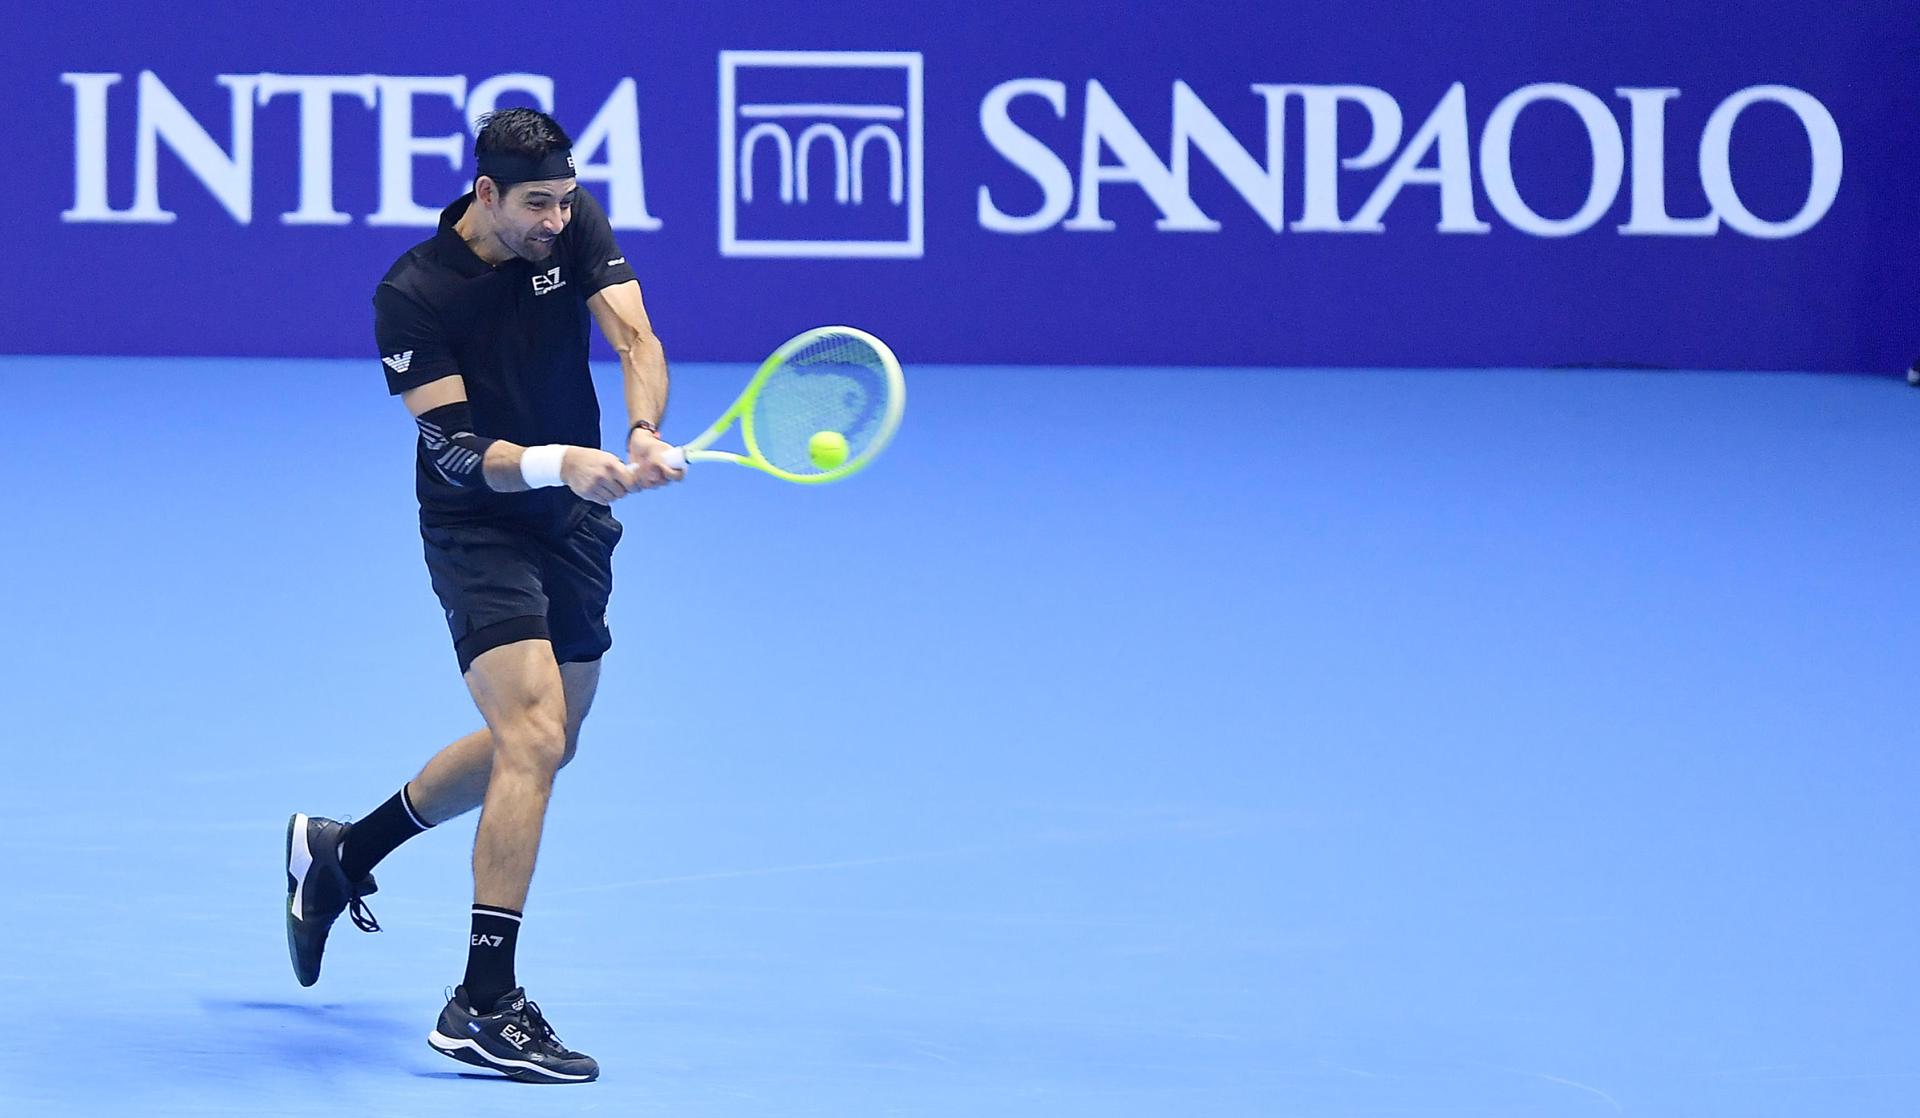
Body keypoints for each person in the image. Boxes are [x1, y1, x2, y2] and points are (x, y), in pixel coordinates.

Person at [283, 107, 682, 1084]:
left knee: (546, 741)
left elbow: (634, 335)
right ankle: (483, 999)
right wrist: (559, 462)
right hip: (480, 522)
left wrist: (638, 431)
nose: (557, 219)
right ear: (487, 195)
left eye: (565, 199)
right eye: (537, 204)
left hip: (577, 513)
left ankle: (342, 849)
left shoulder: (573, 220)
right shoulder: (413, 294)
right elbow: (460, 454)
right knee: (534, 736)